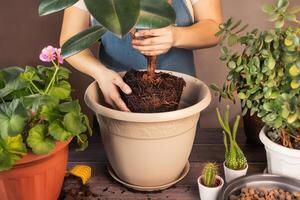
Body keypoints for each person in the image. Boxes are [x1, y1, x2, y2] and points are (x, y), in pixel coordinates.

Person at [60, 0, 222, 112]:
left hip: (179, 103)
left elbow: (215, 28)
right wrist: (100, 73)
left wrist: (177, 36)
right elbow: (70, 42)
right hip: (115, 99)